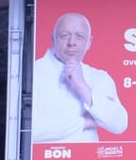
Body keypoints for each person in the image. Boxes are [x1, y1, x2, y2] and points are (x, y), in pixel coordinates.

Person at [31, 12, 128, 142]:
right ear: (53, 39)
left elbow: (119, 124)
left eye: (80, 36)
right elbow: (30, 129)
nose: (72, 42)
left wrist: (82, 87)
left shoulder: (99, 77)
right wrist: (84, 123)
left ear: (89, 43)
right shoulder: (33, 74)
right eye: (64, 36)